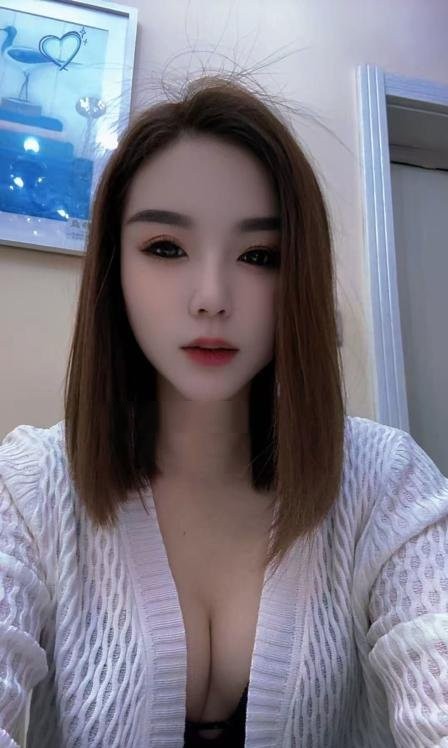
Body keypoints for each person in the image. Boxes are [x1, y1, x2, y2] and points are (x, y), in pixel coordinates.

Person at [0, 73, 447, 748]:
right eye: (166, 248)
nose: (211, 296)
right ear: (114, 270)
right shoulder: (29, 488)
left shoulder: (386, 482)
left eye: (259, 256)